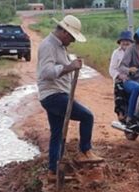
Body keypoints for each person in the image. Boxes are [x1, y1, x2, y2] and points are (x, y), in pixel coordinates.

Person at [37, 15, 103, 182]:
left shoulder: (59, 47)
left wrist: (71, 64)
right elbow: (45, 72)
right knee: (87, 116)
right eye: (72, 37)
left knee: (57, 133)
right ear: (65, 33)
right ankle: (85, 151)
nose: (72, 41)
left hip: (57, 94)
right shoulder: (48, 46)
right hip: (53, 95)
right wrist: (69, 67)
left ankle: (53, 170)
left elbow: (58, 66)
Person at [109, 30, 133, 121]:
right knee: (120, 90)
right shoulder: (116, 53)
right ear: (120, 42)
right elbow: (112, 69)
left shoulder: (134, 52)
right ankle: (121, 113)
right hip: (121, 78)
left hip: (133, 77)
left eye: (128, 41)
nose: (125, 43)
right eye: (123, 41)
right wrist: (119, 76)